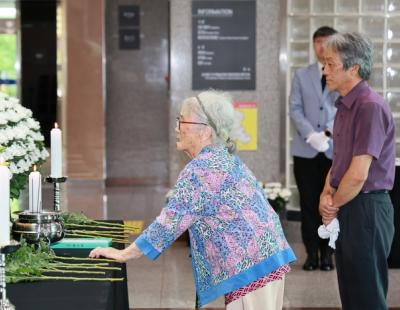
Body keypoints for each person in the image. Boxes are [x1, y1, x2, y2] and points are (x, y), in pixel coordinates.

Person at [90, 90, 296, 309]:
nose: (176, 128)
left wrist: (124, 254)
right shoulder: (222, 157)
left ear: (205, 131)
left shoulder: (201, 170)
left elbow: (169, 222)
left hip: (253, 264)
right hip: (266, 256)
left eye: (182, 121)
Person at [319, 32, 395, 310]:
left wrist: (333, 206)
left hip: (366, 208)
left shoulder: (369, 107)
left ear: (353, 68)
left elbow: (360, 171)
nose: (325, 70)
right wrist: (326, 194)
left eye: (330, 64)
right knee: (351, 294)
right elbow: (339, 160)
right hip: (349, 204)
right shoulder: (345, 105)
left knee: (367, 297)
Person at [289, 26, 338, 271]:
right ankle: (311, 255)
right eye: (317, 42)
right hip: (305, 150)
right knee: (308, 203)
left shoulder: (340, 72)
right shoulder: (301, 75)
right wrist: (311, 135)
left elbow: (344, 107)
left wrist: (327, 133)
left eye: (326, 42)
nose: (321, 46)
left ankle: (328, 254)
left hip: (332, 150)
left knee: (330, 203)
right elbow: (295, 109)